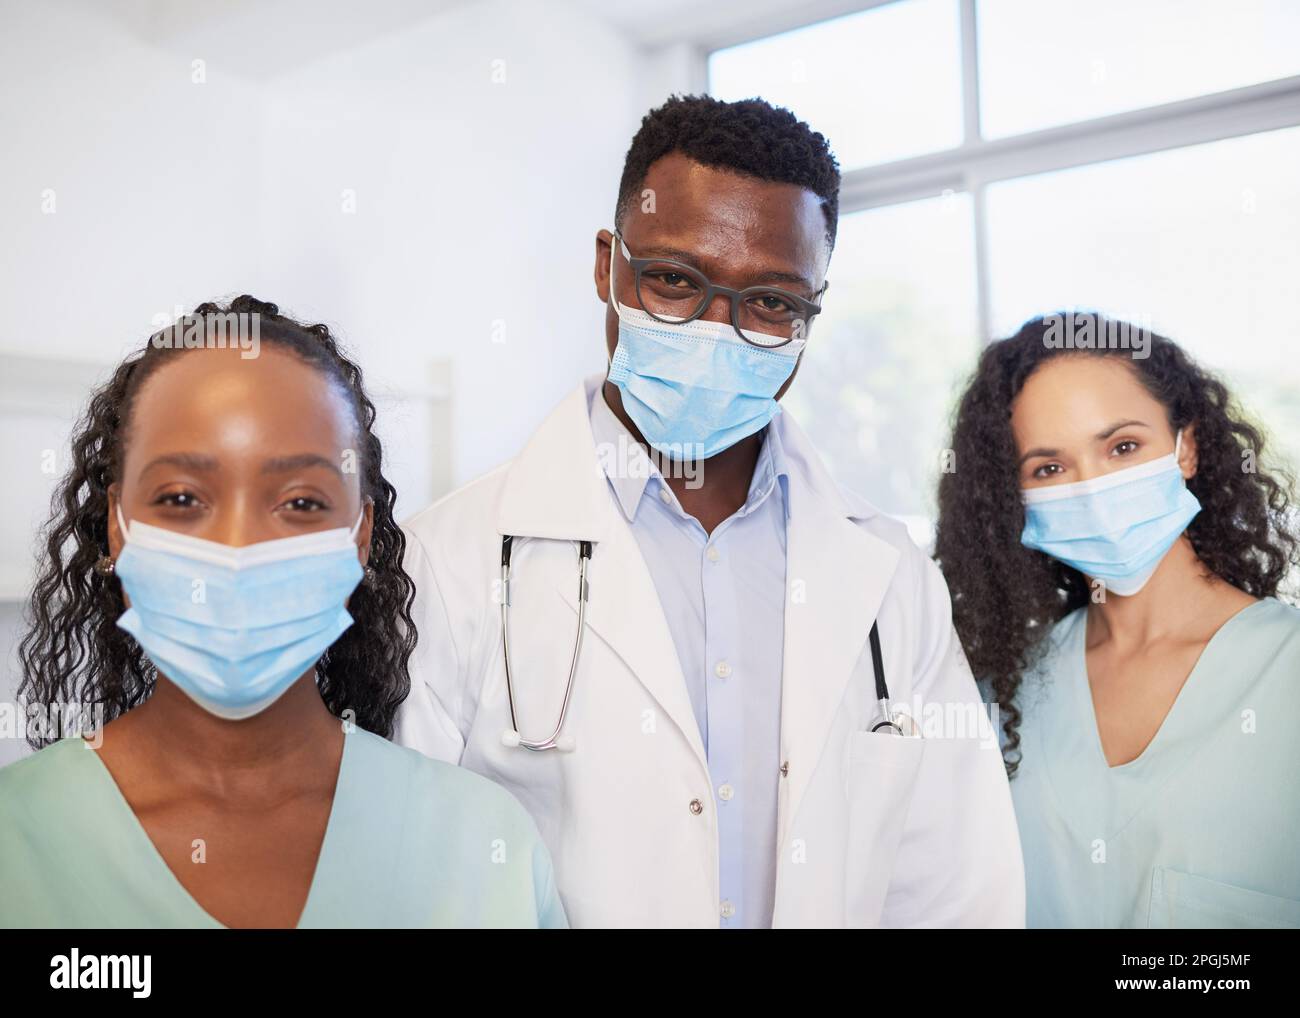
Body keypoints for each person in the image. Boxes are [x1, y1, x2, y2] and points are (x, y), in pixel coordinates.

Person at [394, 95, 1023, 928]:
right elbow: (411, 876)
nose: (717, 331)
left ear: (812, 311)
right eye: (675, 282)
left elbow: (956, 886)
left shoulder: (889, 578)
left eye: (772, 302)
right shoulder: (450, 559)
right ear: (606, 269)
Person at [0, 296, 566, 929]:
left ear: (359, 535)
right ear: (118, 525)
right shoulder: (16, 846)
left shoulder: (485, 850)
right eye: (182, 497)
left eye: (299, 503)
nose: (239, 546)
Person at [934, 312, 1300, 928]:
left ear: (1186, 446)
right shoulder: (1000, 692)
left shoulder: (1284, 672)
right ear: (1013, 499)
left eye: (1122, 447)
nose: (1092, 490)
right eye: (1048, 468)